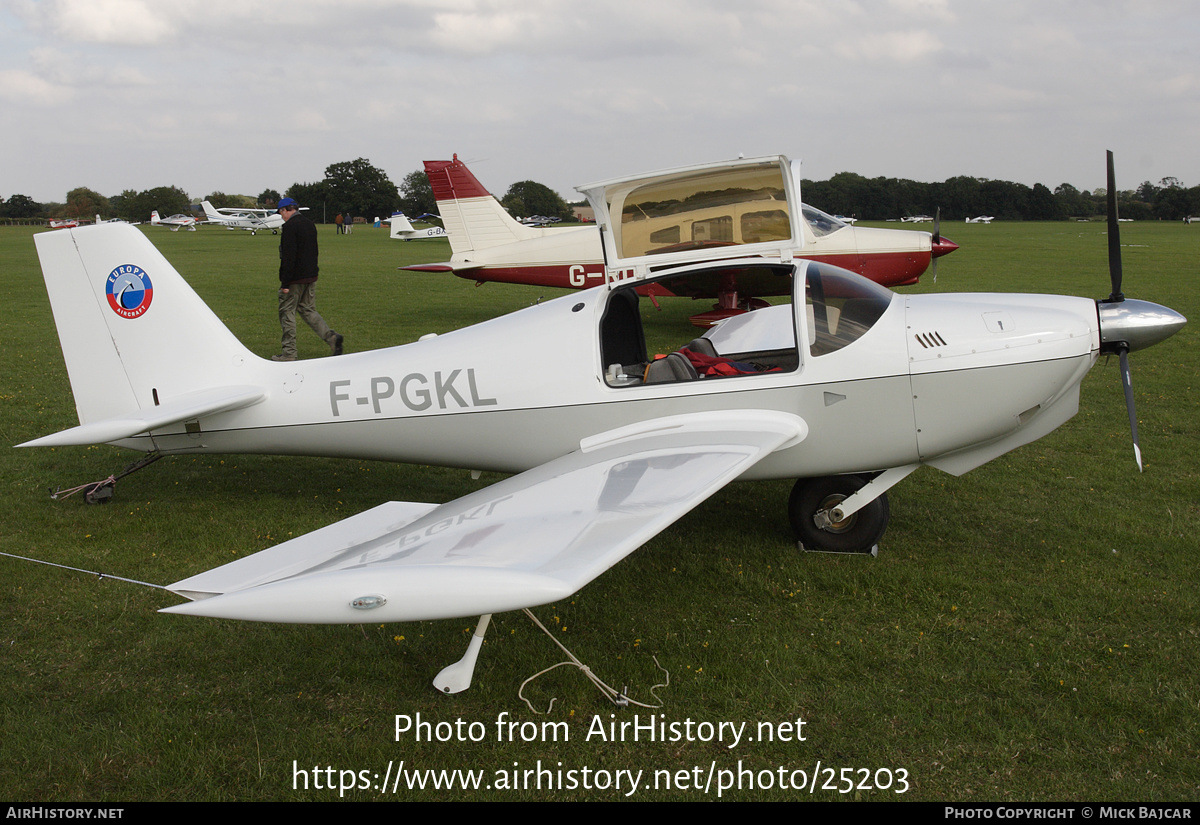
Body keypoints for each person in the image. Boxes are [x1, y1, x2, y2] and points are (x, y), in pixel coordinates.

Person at [273, 197, 343, 362]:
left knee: (287, 312)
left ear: (286, 210)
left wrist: (285, 282)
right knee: (308, 309)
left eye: (281, 212)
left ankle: (289, 353)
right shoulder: (309, 224)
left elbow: (289, 257)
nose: (281, 216)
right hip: (311, 275)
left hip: (295, 278)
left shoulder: (290, 227)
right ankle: (331, 338)